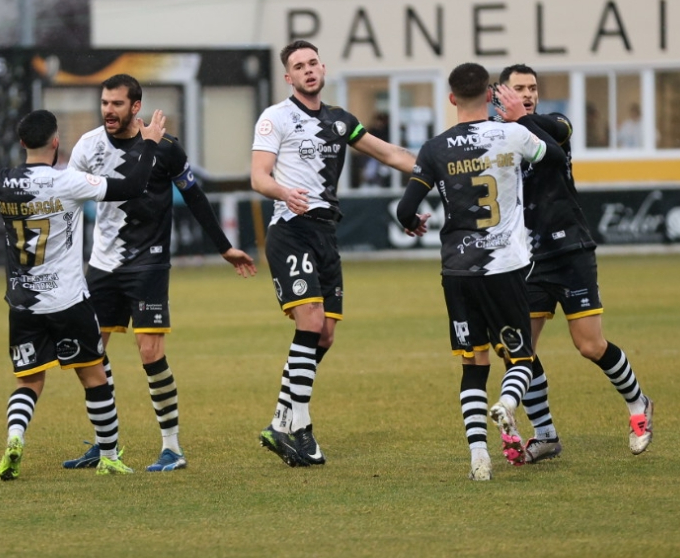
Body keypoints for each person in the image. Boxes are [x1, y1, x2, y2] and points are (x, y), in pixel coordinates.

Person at [62, 74, 257, 473]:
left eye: (116, 104)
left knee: (150, 352)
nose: (108, 111)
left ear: (136, 106)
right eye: (104, 103)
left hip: (149, 262)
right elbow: (66, 198)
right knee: (90, 354)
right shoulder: (88, 146)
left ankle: (172, 447)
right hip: (102, 264)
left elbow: (194, 195)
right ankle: (105, 446)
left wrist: (224, 247)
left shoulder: (165, 148)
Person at [0, 107, 166, 480]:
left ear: (23, 143)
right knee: (94, 377)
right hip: (67, 301)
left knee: (29, 382)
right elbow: (133, 185)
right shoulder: (70, 182)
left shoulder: (4, 183)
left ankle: (15, 437)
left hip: (22, 303)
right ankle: (108, 456)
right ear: (56, 143)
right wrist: (150, 144)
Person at [250, 39, 420, 467]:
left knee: (324, 334)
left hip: (326, 233)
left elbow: (390, 153)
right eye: (298, 66)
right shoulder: (275, 117)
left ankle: (279, 421)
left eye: (312, 63)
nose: (307, 70)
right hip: (291, 229)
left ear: (323, 69)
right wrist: (284, 192)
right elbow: (258, 176)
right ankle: (301, 429)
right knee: (310, 321)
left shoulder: (342, 122)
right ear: (288, 77)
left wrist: (438, 171)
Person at [395, 62, 560, 481]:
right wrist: (524, 123)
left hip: (458, 270)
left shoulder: (434, 149)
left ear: (451, 99)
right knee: (521, 356)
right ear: (490, 95)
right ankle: (507, 403)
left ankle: (478, 459)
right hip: (505, 266)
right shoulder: (513, 134)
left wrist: (413, 224)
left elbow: (405, 209)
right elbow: (555, 158)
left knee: (473, 366)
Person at [495, 64, 657, 464]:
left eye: (532, 88)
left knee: (589, 345)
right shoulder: (495, 137)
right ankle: (545, 434)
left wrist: (523, 117)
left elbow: (559, 131)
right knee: (517, 351)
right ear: (500, 94)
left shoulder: (553, 125)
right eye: (519, 89)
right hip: (527, 256)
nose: (527, 94)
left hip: (570, 250)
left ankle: (639, 404)